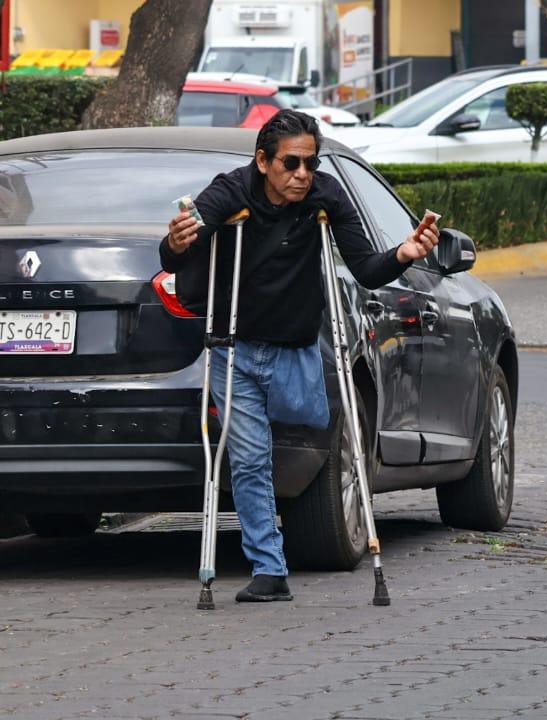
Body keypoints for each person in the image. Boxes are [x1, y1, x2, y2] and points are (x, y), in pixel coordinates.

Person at [162, 110, 440, 602]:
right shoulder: (231, 191)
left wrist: (404, 253)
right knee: (248, 458)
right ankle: (269, 569)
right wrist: (175, 242)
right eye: (291, 163)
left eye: (310, 163)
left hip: (296, 350)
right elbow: (183, 245)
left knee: (310, 423)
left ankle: (278, 531)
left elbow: (366, 268)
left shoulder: (324, 196)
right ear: (263, 161)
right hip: (236, 350)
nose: (302, 174)